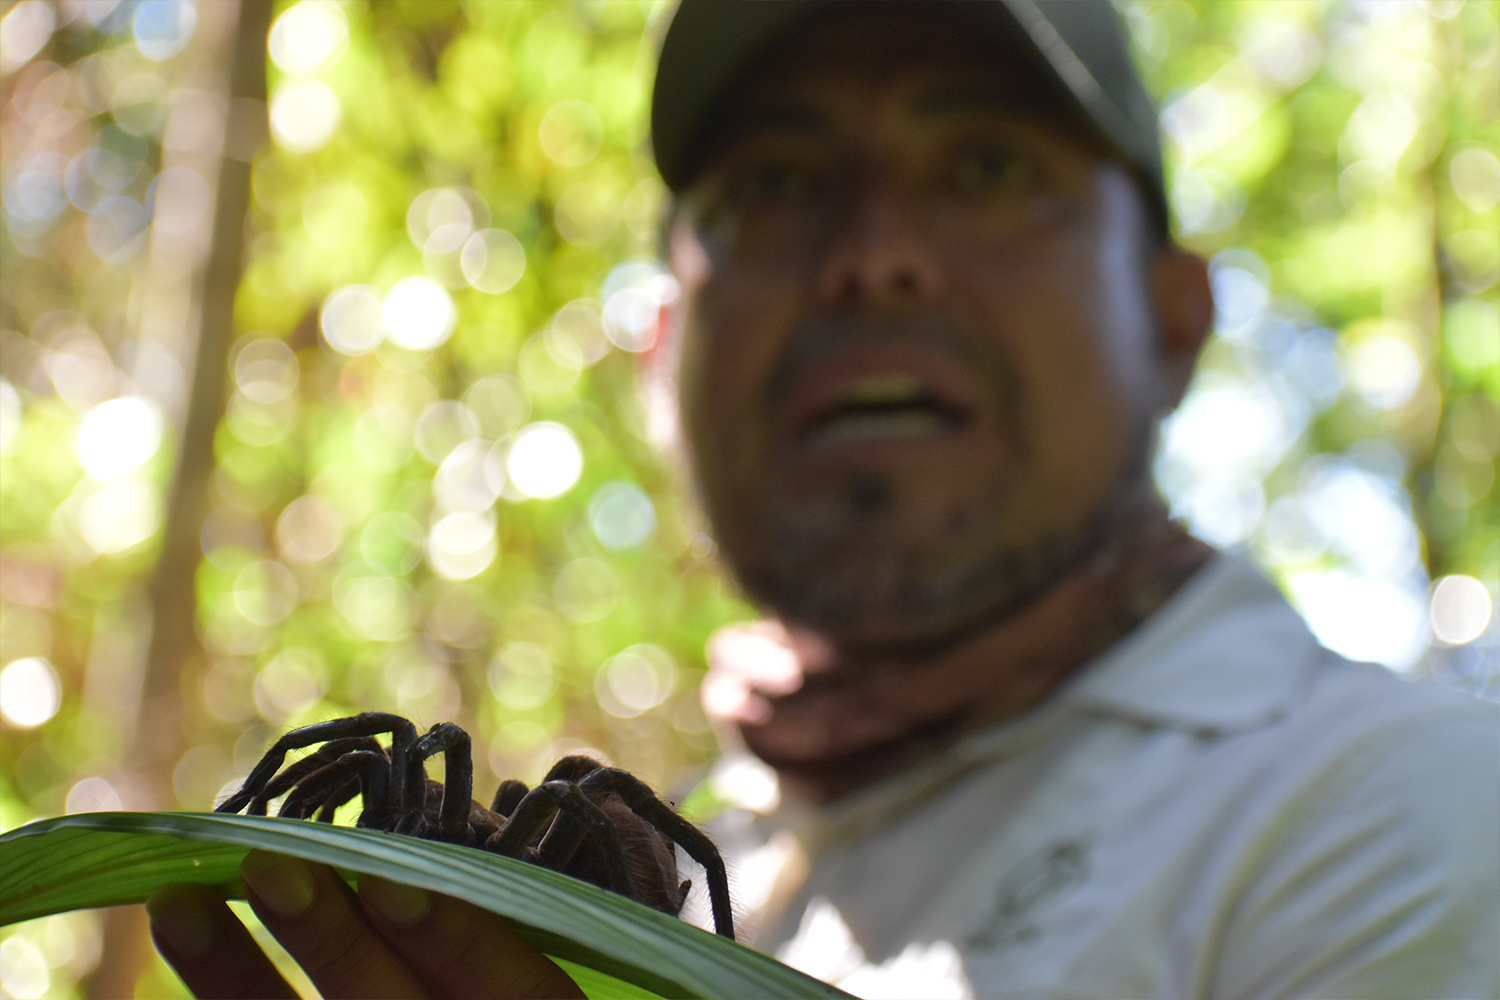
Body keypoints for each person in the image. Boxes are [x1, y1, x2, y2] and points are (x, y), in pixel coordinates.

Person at [145, 2, 1500, 998]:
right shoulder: (715, 862)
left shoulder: (1402, 816)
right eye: (777, 186)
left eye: (985, 167)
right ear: (664, 362)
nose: (875, 261)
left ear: (1174, 318)